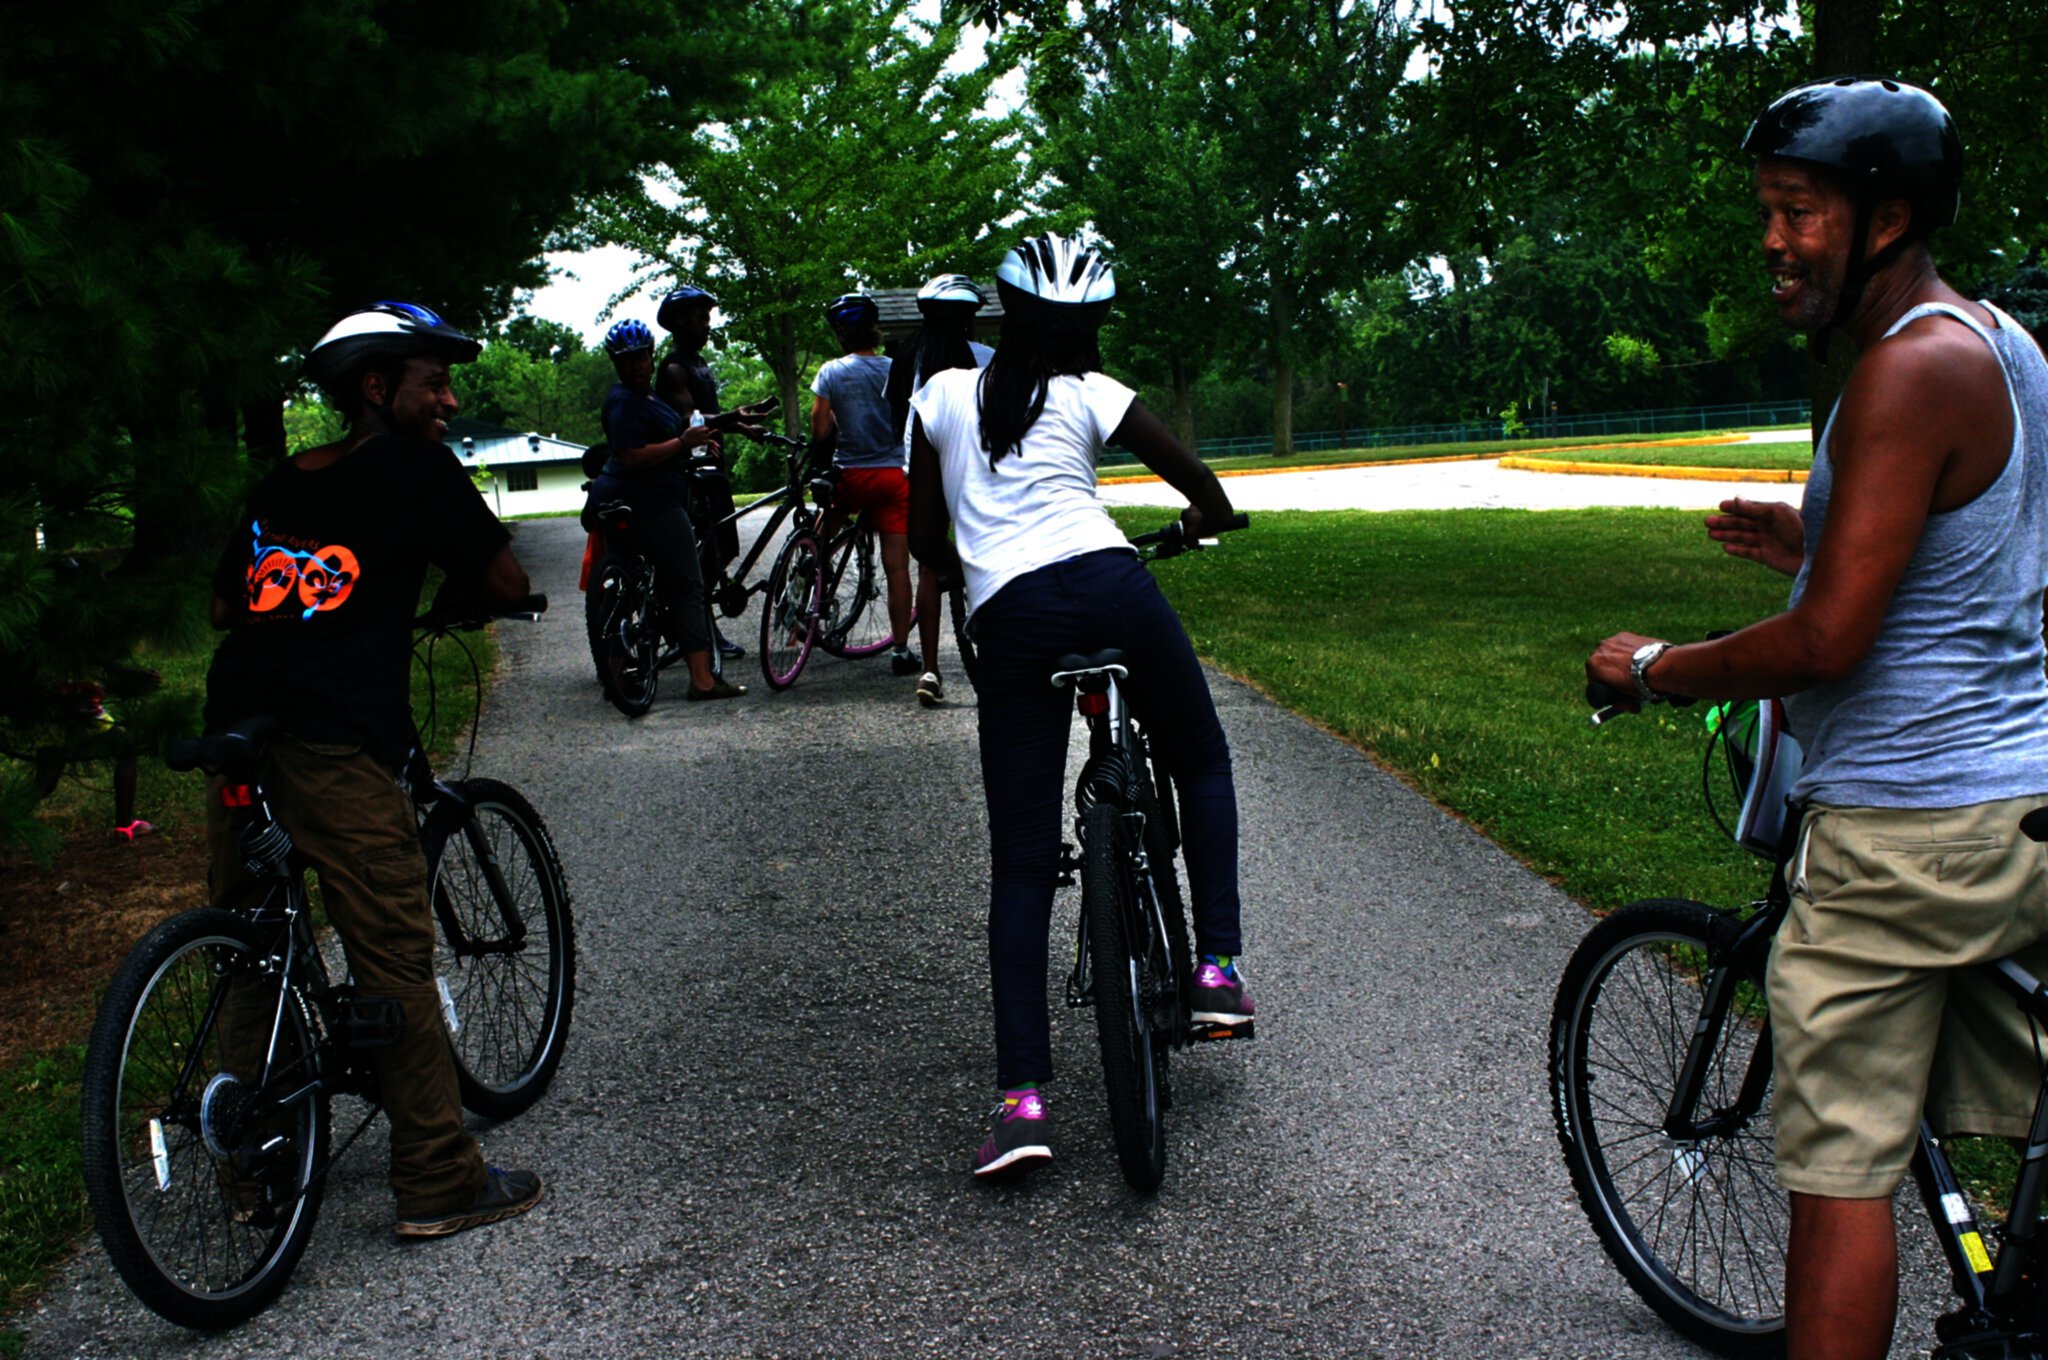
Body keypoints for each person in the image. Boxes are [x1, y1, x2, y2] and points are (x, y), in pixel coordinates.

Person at [1584, 79, 2048, 1360]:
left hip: (1903, 833)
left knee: (1837, 1159)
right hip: (2020, 811)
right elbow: (1993, 561)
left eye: (1797, 212)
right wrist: (1821, 540)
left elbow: (1828, 641)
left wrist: (1653, 664)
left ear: (1885, 216)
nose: (1774, 241)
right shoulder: (2000, 343)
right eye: (1766, 213)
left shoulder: (1901, 372)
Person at [907, 233, 1257, 1178]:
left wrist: (970, 571)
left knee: (1021, 864)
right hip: (1114, 584)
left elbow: (921, 533)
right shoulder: (1093, 395)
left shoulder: (939, 397)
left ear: (1001, 316)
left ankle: (1023, 1102)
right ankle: (1216, 969)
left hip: (1012, 619)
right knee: (1199, 756)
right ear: (1091, 328)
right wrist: (1195, 527)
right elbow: (1208, 494)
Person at [204, 301, 544, 1238]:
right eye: (433, 381)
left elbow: (227, 607)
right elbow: (507, 581)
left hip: (238, 722)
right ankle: (438, 1178)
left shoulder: (284, 478)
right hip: (332, 736)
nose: (449, 398)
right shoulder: (413, 465)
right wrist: (456, 598)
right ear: (376, 386)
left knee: (248, 946)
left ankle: (255, 1173)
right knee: (392, 948)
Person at [586, 318, 745, 702]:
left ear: (651, 355)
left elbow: (681, 429)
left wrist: (716, 430)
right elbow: (632, 456)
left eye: (642, 357)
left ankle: (619, 675)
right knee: (687, 585)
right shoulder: (624, 401)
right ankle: (703, 681)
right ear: (616, 362)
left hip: (624, 499)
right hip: (650, 504)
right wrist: (681, 444)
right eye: (627, 360)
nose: (637, 365)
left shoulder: (648, 397)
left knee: (623, 588)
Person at [884, 273, 995, 706]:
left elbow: (896, 420)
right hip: (972, 469)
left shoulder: (904, 359)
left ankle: (930, 669)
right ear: (969, 317)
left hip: (919, 472)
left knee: (930, 566)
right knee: (986, 551)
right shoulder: (983, 357)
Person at [811, 292, 931, 688]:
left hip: (853, 475)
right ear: (875, 330)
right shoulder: (896, 369)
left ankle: (805, 599)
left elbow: (821, 428)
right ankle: (899, 649)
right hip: (895, 475)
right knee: (897, 567)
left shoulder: (831, 372)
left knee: (821, 538)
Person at [655, 284, 776, 661]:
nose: (707, 325)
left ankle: (690, 624)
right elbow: (687, 419)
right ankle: (698, 628)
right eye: (700, 318)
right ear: (677, 321)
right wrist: (730, 417)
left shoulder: (700, 365)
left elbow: (710, 417)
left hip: (712, 468)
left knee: (723, 548)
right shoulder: (674, 368)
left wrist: (742, 426)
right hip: (692, 473)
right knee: (702, 554)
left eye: (708, 317)